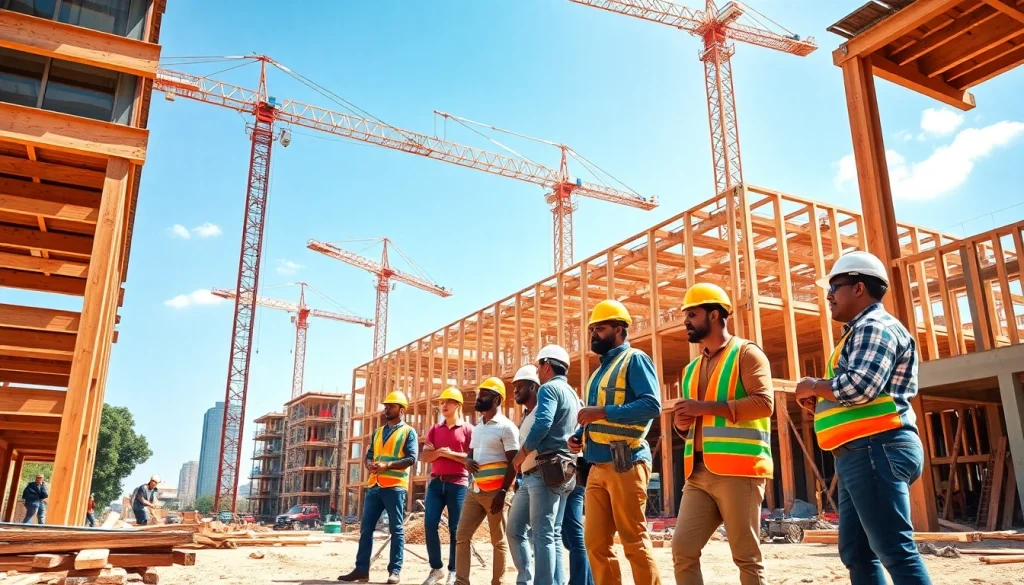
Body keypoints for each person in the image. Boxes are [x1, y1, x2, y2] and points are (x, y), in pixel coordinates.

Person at [795, 251, 933, 585]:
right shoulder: (858, 332)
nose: (829, 295)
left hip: (876, 447)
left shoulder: (874, 327)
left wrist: (813, 385)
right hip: (862, 451)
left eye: (834, 287)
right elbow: (858, 394)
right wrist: (821, 404)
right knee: (857, 551)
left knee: (894, 550)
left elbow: (860, 386)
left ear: (858, 288)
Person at [670, 283, 775, 585]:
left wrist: (702, 407)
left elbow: (764, 404)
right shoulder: (691, 369)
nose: (686, 321)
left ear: (714, 315)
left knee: (746, 557)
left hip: (739, 471)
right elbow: (695, 425)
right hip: (698, 473)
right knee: (682, 550)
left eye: (692, 314)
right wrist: (681, 424)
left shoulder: (747, 354)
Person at [569, 299, 662, 585]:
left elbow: (651, 405)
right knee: (595, 544)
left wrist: (603, 412)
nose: (594, 334)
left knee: (633, 541)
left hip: (626, 461)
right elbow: (595, 417)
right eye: (592, 329)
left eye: (600, 328)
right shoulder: (599, 372)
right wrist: (579, 435)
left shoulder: (635, 359)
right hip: (596, 466)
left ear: (619, 329)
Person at [509, 347, 580, 585]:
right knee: (549, 534)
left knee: (542, 535)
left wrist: (521, 454)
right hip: (564, 470)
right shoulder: (571, 392)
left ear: (547, 366)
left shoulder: (549, 388)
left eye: (539, 366)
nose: (538, 372)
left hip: (545, 471)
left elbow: (542, 424)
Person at [338, 391, 418, 584]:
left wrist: (387, 465)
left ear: (401, 410)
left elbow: (411, 458)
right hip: (375, 485)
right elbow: (370, 455)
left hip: (395, 486)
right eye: (386, 406)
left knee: (396, 529)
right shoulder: (378, 432)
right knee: (366, 528)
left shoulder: (408, 432)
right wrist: (369, 464)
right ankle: (361, 570)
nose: (386, 409)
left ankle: (394, 571)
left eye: (391, 406)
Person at [455, 377, 520, 585]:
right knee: (461, 536)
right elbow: (471, 453)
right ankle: (461, 582)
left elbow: (514, 463)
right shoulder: (478, 427)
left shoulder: (506, 428)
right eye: (479, 393)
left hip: (496, 494)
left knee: (498, 541)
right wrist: (467, 460)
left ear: (496, 399)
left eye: (484, 394)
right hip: (474, 491)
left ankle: (497, 582)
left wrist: (503, 492)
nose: (478, 397)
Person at [420, 387, 474, 585]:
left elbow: (471, 459)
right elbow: (425, 456)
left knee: (455, 529)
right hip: (436, 483)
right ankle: (436, 569)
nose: (443, 405)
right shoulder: (435, 429)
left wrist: (447, 453)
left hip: (458, 483)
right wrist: (439, 453)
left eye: (448, 402)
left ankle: (454, 570)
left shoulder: (468, 429)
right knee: (429, 523)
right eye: (441, 402)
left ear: (457, 405)